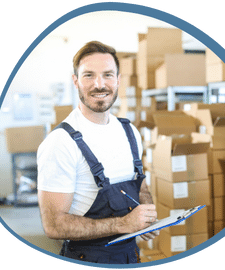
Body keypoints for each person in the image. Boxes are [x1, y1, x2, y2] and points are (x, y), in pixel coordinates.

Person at [37, 41, 159, 264]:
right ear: (75, 81)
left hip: (130, 255)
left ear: (118, 80)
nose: (99, 84)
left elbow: (139, 184)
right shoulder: (60, 142)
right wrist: (123, 224)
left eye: (108, 75)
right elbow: (53, 225)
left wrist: (147, 216)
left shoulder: (130, 131)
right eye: (89, 75)